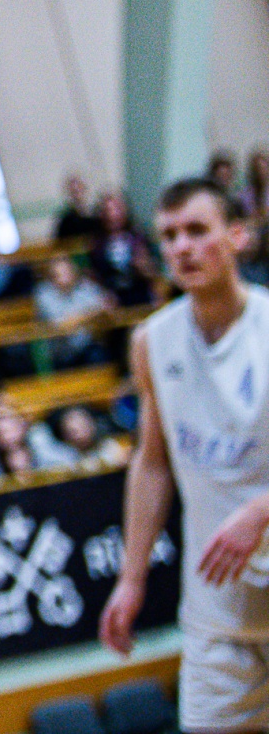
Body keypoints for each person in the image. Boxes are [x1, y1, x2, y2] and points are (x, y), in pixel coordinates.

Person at [100, 178, 269, 730]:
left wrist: (261, 510)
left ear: (237, 236)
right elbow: (152, 462)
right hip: (217, 614)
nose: (182, 247)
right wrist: (131, 577)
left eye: (198, 230)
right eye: (170, 236)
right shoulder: (152, 340)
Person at [33, 257, 113, 367]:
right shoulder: (44, 294)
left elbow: (104, 307)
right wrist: (90, 314)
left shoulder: (86, 286)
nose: (65, 276)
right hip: (59, 353)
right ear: (51, 276)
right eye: (60, 273)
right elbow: (60, 326)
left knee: (101, 355)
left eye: (67, 272)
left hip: (86, 347)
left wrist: (91, 313)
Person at [54, 175, 101, 244]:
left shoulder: (96, 214)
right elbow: (60, 242)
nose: (77, 195)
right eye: (73, 192)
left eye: (79, 190)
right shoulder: (66, 220)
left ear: (85, 189)